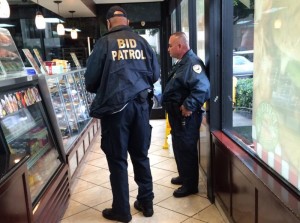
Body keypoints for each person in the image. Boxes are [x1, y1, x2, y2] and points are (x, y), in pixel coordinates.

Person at [84, 5, 160, 223]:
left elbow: (90, 82)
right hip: (142, 107)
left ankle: (122, 211)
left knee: (118, 160)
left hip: (115, 110)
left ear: (108, 23)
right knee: (141, 156)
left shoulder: (103, 43)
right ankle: (147, 204)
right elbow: (154, 74)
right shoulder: (144, 42)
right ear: (127, 21)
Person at [162, 32, 210, 198]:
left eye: (170, 45)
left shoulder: (193, 63)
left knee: (187, 148)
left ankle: (190, 185)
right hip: (177, 116)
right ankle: (184, 176)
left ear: (180, 46)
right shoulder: (182, 62)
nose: (168, 49)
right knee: (179, 146)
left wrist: (189, 105)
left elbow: (203, 87)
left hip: (186, 117)